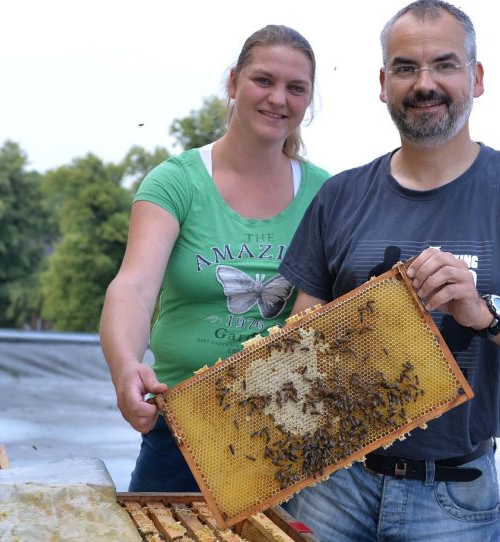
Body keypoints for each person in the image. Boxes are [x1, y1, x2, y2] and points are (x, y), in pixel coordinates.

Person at [278, 1, 500, 540]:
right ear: (384, 84)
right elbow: (295, 348)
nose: (424, 83)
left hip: (454, 496)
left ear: (476, 78)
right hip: (330, 484)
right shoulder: (340, 196)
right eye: (406, 68)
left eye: (445, 65)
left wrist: (485, 314)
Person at [99, 24, 330, 492]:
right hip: (180, 426)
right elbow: (134, 288)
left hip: (283, 430)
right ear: (233, 83)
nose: (278, 99)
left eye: (295, 88)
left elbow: (320, 313)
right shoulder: (175, 182)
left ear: (308, 100)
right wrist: (126, 367)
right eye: (263, 81)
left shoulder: (327, 193)